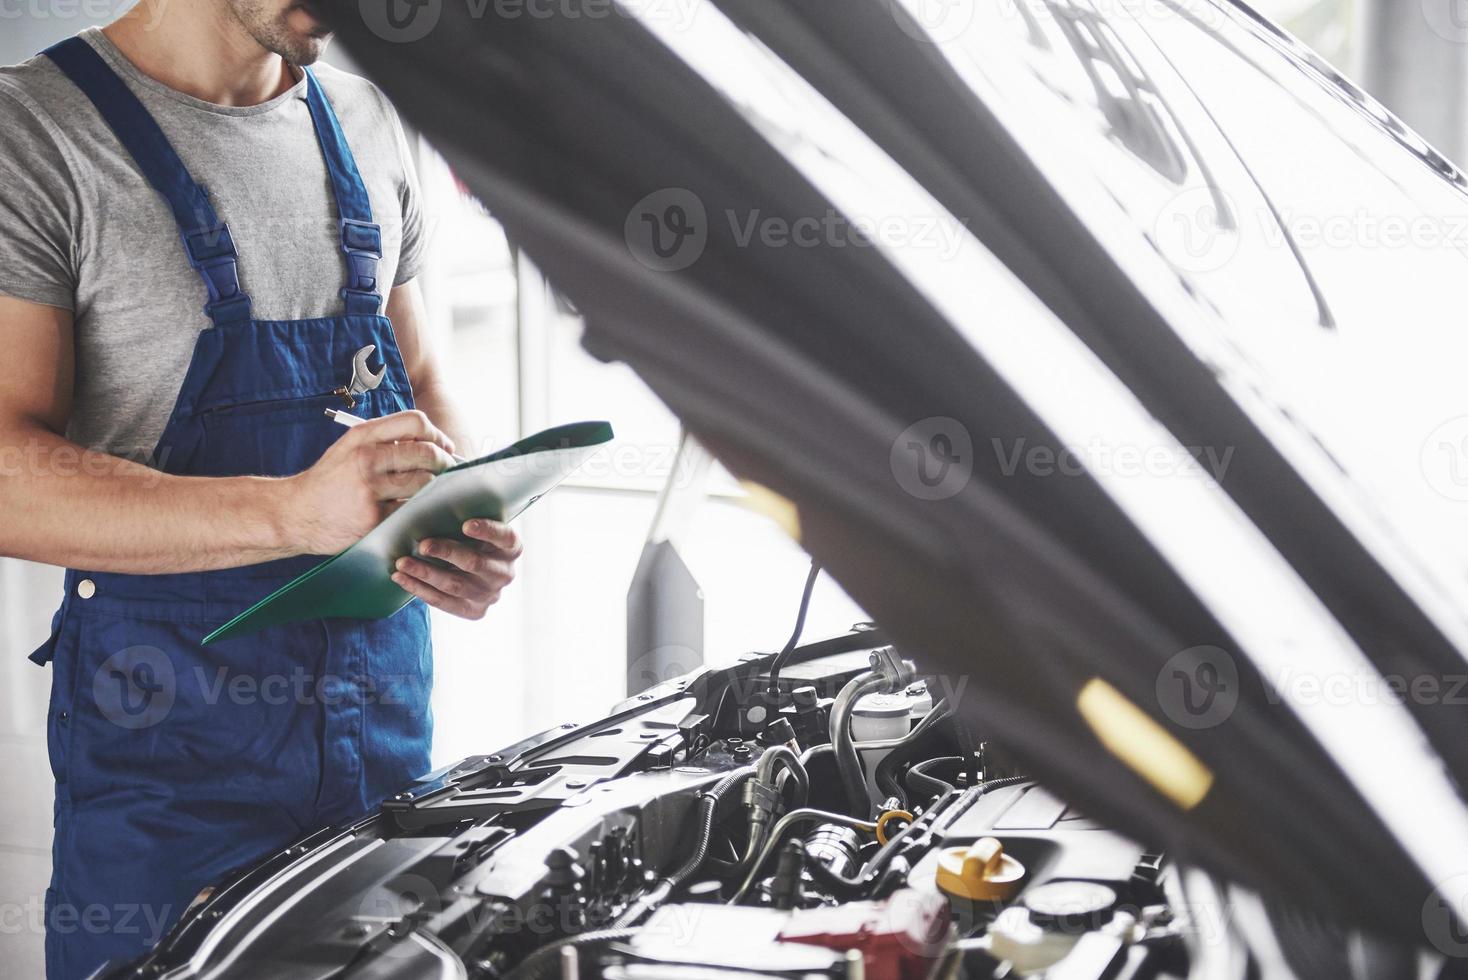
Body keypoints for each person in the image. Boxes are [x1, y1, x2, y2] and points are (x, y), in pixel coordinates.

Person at [0, 2, 520, 975]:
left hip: (385, 758)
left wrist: (462, 517)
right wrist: (289, 511)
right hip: (170, 783)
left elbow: (422, 376)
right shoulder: (29, 134)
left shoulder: (371, 120)